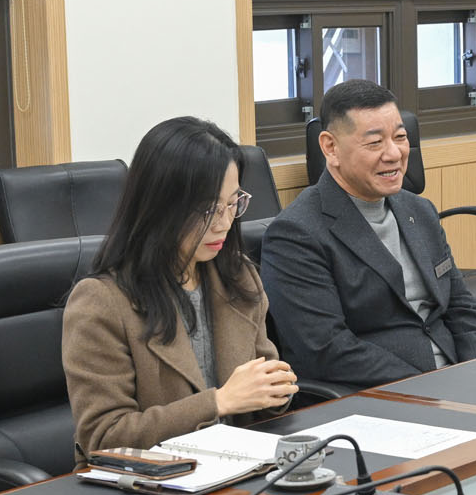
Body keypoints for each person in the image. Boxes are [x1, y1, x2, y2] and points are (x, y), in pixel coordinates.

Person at [63, 117, 299, 461]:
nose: (224, 223)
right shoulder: (101, 301)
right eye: (208, 209)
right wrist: (218, 402)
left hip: (238, 466)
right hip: (151, 483)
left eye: (233, 203)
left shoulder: (239, 276)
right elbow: (103, 438)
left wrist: (275, 390)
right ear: (160, 206)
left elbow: (262, 396)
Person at [261, 80, 476, 391]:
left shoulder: (420, 210)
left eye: (400, 137)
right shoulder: (296, 234)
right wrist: (431, 388)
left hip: (455, 376)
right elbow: (327, 350)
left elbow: (460, 305)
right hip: (383, 393)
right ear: (330, 147)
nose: (394, 154)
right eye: (375, 143)